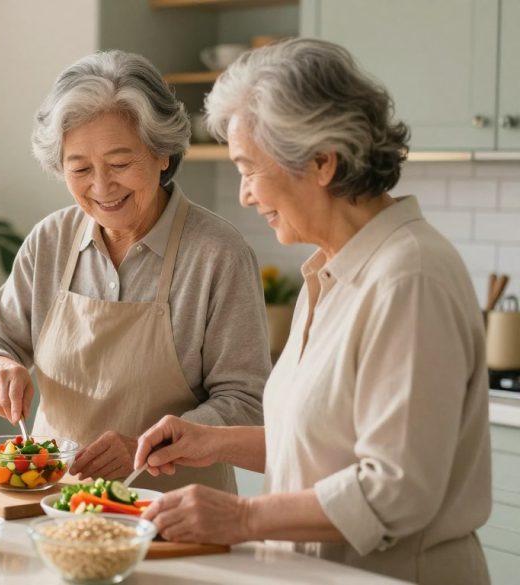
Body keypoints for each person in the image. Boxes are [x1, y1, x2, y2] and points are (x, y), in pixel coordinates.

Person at [133, 38, 491, 584]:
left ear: (322, 161)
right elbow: (324, 444)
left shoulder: (409, 277)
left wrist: (242, 515)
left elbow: (398, 489)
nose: (246, 195)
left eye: (248, 169)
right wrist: (210, 441)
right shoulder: (328, 272)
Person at [0, 50, 270, 492]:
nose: (102, 188)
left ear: (163, 154)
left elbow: (246, 402)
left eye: (121, 164)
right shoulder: (50, 241)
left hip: (176, 511)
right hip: (53, 503)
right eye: (80, 169)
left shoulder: (218, 254)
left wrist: (148, 445)